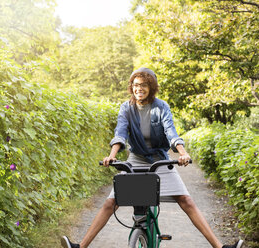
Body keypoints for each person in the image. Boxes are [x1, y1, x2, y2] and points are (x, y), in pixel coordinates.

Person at [61, 68, 243, 248]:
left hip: (159, 159)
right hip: (136, 159)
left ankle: (220, 247)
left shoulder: (161, 106)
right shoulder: (126, 107)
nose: (139, 88)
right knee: (111, 203)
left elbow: (171, 132)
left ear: (152, 87)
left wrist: (182, 153)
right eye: (135, 85)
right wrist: (112, 156)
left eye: (144, 85)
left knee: (186, 200)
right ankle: (80, 246)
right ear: (131, 86)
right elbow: (120, 133)